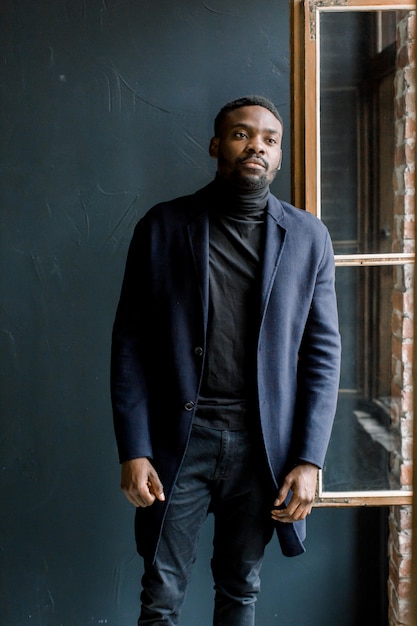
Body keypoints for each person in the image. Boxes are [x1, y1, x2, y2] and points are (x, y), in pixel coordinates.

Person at [111, 95, 341, 626]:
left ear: (279, 156)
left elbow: (323, 355)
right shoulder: (163, 227)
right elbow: (129, 344)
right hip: (180, 438)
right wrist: (135, 447)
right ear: (217, 144)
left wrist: (310, 459)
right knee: (161, 594)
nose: (255, 145)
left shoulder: (309, 238)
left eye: (269, 138)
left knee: (241, 590)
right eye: (241, 134)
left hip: (262, 446)